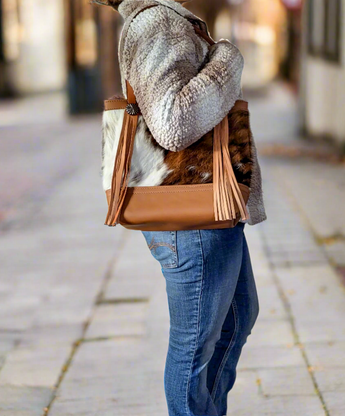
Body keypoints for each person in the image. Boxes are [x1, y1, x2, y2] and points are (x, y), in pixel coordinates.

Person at [96, 0, 266, 414]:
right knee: (195, 347)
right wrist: (227, 59)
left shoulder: (164, 20)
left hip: (206, 212)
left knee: (237, 318)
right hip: (192, 219)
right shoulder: (158, 23)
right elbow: (174, 122)